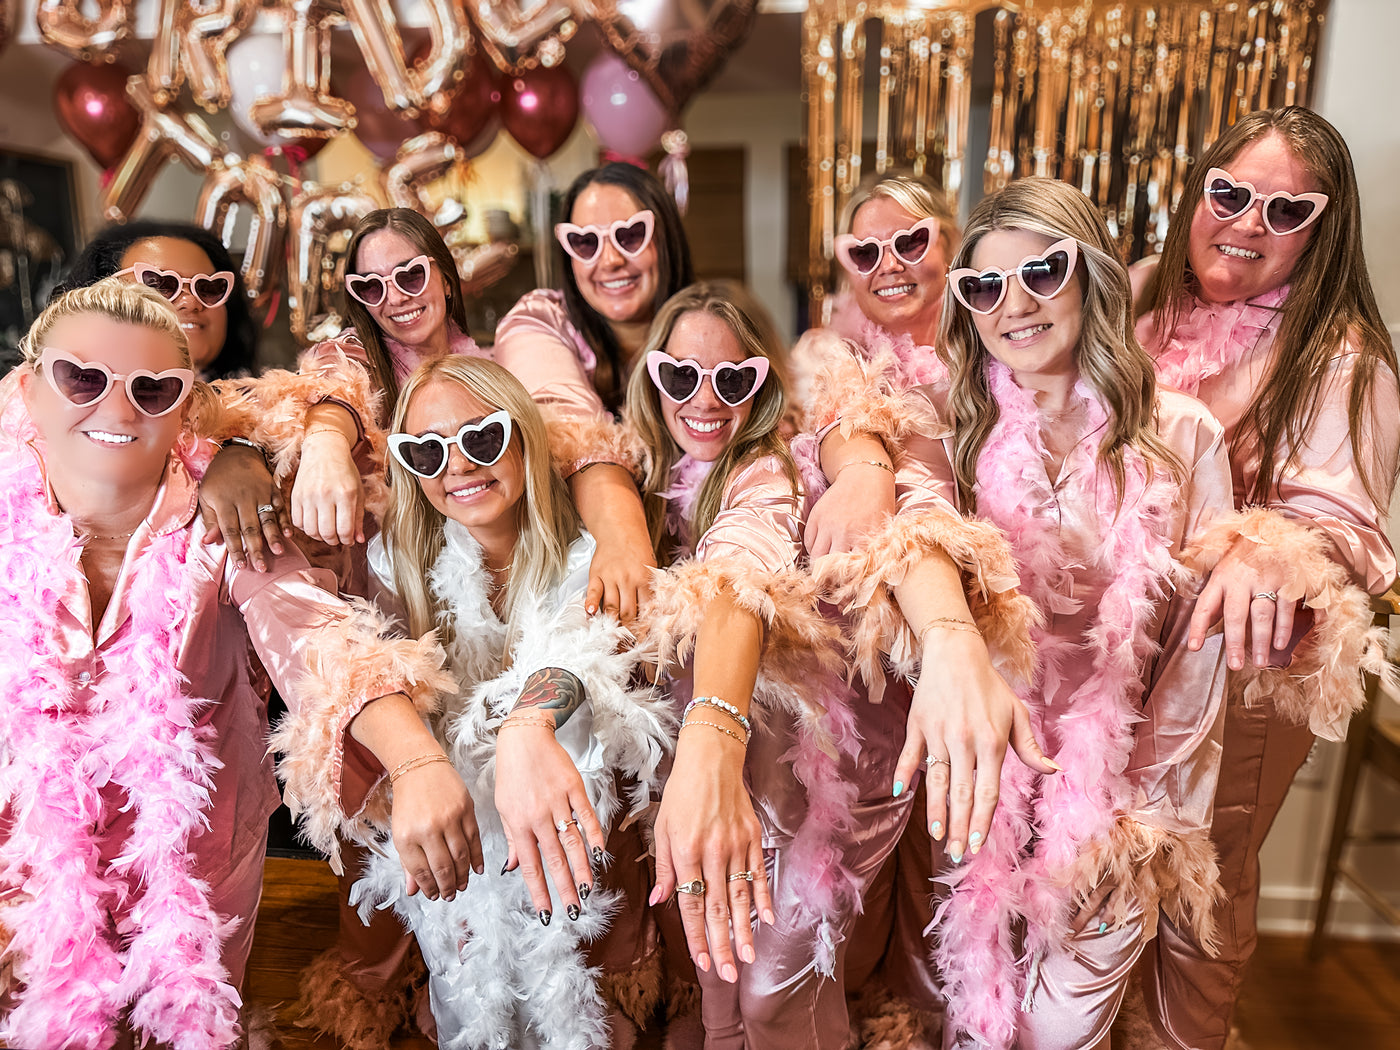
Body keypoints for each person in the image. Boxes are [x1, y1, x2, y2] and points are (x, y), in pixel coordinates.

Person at [819, 176, 1234, 1048]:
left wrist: (1146, 814)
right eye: (983, 286)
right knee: (973, 1012)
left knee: (1061, 1027)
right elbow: (913, 526)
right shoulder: (955, 432)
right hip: (980, 774)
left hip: (1122, 793)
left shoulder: (1184, 435)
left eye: (1041, 273)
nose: (1014, 304)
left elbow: (1198, 658)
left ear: (1091, 277)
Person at [0, 280, 465, 1049]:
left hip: (193, 858)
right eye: (83, 378)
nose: (116, 409)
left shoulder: (230, 520)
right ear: (28, 388)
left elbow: (321, 639)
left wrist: (416, 762)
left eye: (153, 389)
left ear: (186, 406)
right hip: (26, 857)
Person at [1131, 107, 1400, 1050]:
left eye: (1287, 211)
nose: (1248, 222)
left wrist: (1266, 543)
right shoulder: (1139, 307)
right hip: (1117, 662)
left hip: (1239, 674)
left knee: (1197, 894)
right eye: (1230, 193)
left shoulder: (1346, 359)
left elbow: (1344, 526)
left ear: (1322, 232)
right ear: (1198, 192)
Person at [196, 206, 490, 1046]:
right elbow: (324, 393)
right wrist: (327, 441)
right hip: (373, 632)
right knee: (375, 867)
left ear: (445, 269)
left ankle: (460, 1008)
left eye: (411, 273)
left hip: (473, 632)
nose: (395, 296)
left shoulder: (494, 368)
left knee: (472, 861)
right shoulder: (353, 364)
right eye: (371, 283)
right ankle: (375, 1005)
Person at [346, 355, 670, 1047]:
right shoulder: (390, 568)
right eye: (427, 451)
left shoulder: (592, 557)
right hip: (457, 865)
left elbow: (577, 654)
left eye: (482, 438)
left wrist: (527, 726)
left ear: (522, 435)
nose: (457, 465)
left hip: (580, 861)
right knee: (471, 1010)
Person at [493, 162, 696, 625]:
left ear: (664, 238)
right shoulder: (540, 319)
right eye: (585, 242)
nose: (608, 260)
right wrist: (623, 537)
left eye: (629, 235)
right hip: (577, 591)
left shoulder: (707, 328)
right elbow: (567, 424)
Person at [56, 219, 257, 380]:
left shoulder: (271, 418)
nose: (191, 302)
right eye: (160, 284)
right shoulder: (49, 413)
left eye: (208, 288)